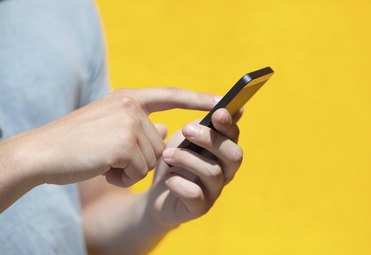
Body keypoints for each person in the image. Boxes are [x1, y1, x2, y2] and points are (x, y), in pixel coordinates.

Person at [0, 0, 243, 254]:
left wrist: (153, 212)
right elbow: (38, 156)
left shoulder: (69, 7)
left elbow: (86, 213)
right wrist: (29, 156)